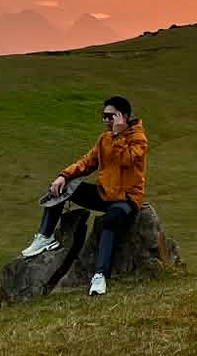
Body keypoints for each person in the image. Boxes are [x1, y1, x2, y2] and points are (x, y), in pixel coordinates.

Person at [20, 95, 148, 297]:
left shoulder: (138, 139)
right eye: (103, 116)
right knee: (62, 188)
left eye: (110, 116)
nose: (105, 120)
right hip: (104, 193)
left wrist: (119, 136)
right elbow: (87, 162)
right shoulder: (104, 139)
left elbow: (127, 160)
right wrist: (63, 176)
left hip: (126, 198)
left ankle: (100, 276)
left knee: (111, 220)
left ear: (123, 117)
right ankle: (45, 236)